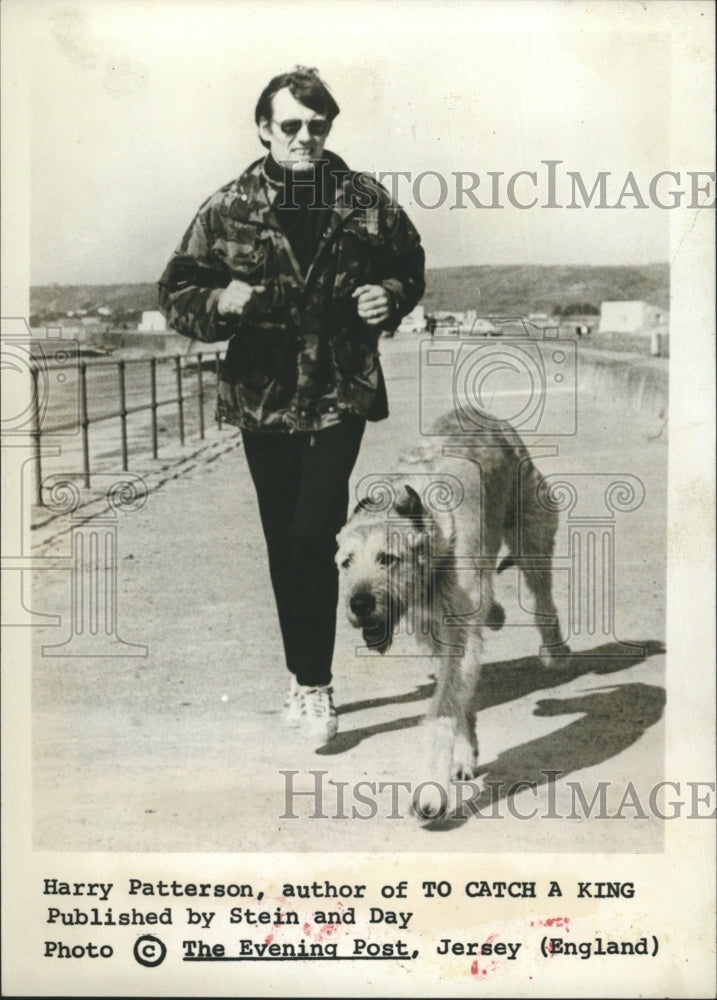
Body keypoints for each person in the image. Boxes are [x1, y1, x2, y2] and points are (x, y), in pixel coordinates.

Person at [158, 66, 425, 742]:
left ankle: (314, 685)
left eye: (317, 125)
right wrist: (220, 302)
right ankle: (308, 680)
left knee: (313, 532)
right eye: (291, 126)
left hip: (341, 387)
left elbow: (409, 261)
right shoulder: (226, 207)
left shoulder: (364, 199)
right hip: (263, 394)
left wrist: (389, 296)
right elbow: (176, 289)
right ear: (263, 129)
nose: (306, 137)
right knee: (286, 543)